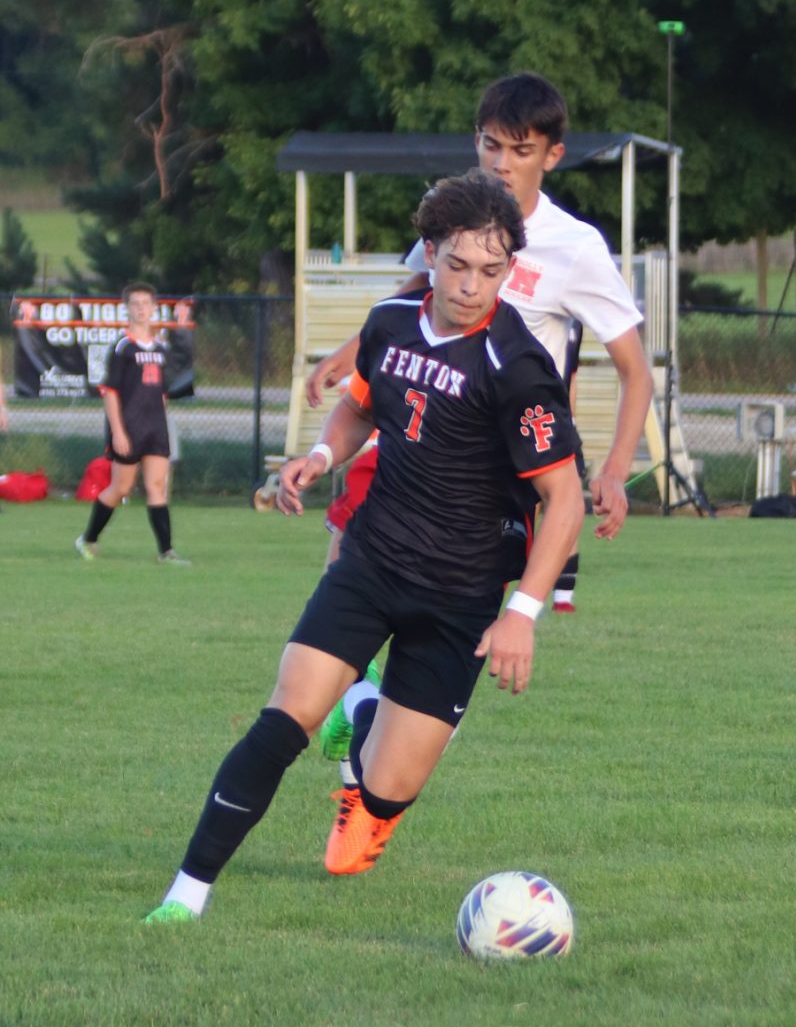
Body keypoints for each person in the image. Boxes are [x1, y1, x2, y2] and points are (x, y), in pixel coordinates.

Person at [143, 169, 584, 922]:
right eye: (455, 265)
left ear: (508, 268)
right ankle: (186, 896)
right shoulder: (388, 321)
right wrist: (320, 456)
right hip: (374, 560)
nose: (471, 286)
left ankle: (370, 732)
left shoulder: (517, 371)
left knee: (383, 796)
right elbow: (358, 409)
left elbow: (563, 497)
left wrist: (523, 613)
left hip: (461, 597)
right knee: (286, 718)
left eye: (490, 270)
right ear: (430, 252)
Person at [307, 73, 653, 609]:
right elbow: (412, 298)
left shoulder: (576, 247)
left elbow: (636, 370)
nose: (501, 163)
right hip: (423, 426)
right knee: (349, 547)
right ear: (476, 141)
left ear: (552, 155)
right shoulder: (459, 213)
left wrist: (615, 469)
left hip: (496, 458)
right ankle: (349, 688)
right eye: (491, 145)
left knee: (450, 610)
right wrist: (348, 353)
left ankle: (386, 685)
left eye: (521, 150)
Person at [74, 282, 190, 565]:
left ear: (154, 308)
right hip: (129, 427)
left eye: (145, 303)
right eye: (135, 304)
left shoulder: (161, 347)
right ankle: (87, 539)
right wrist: (118, 431)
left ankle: (166, 551)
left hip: (155, 428)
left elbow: (160, 392)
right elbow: (110, 392)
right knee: (121, 488)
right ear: (127, 308)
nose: (140, 308)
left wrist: (162, 420)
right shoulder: (122, 347)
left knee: (157, 485)